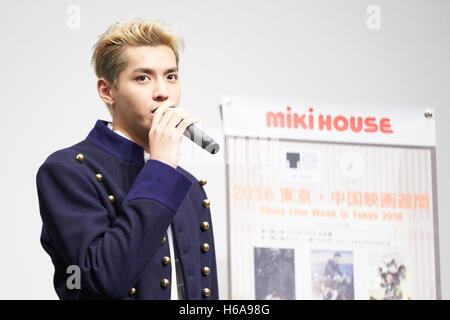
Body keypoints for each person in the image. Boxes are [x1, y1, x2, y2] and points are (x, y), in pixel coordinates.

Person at [35, 18, 218, 300]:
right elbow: (102, 280)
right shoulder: (67, 170)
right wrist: (160, 168)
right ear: (107, 91)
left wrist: (161, 168)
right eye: (142, 78)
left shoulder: (190, 186)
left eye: (171, 76)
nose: (163, 92)